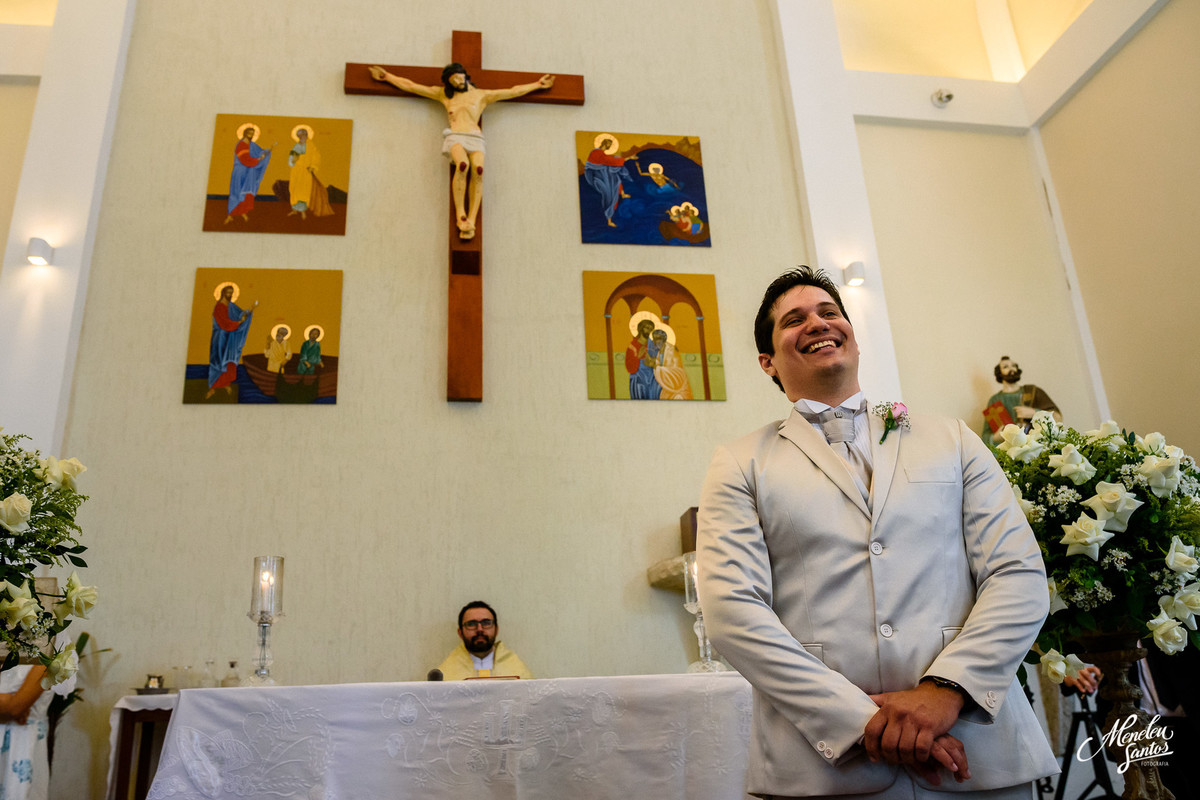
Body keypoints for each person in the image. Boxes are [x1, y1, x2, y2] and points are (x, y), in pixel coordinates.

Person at [696, 266, 1057, 799]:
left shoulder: (951, 438)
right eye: (793, 320)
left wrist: (945, 691)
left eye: (829, 312)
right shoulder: (741, 462)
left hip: (976, 751)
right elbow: (733, 613)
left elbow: (1018, 574)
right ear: (767, 361)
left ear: (853, 336)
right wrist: (859, 721)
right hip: (825, 767)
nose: (817, 323)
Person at [368, 63, 554, 239]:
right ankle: (461, 214)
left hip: (475, 138)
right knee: (463, 165)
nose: (457, 82)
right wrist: (386, 76)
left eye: (458, 77)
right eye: (453, 80)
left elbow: (512, 91)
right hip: (455, 136)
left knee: (478, 171)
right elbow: (412, 86)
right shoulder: (444, 95)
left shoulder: (482, 95)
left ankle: (472, 218)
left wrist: (537, 84)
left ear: (464, 75)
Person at [435, 601, 533, 680]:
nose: (480, 629)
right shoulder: (445, 675)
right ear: (460, 632)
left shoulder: (517, 670)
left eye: (486, 623)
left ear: (496, 629)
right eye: (472, 624)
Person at [981, 356, 1061, 444]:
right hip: (1009, 451)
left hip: (1036, 445)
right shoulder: (995, 400)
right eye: (1005, 367)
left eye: (1013, 366)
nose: (1011, 369)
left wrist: (1034, 413)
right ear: (999, 373)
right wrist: (995, 438)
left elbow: (1057, 418)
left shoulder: (1033, 391)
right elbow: (985, 435)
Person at [0, 662, 50, 800]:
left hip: (22, 745)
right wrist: (7, 703)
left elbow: (16, 706)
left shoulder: (54, 646)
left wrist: (13, 706)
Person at [207, 284, 257, 399]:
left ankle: (225, 384)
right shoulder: (219, 307)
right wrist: (239, 323)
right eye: (228, 292)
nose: (230, 295)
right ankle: (213, 387)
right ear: (223, 293)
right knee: (218, 361)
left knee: (229, 361)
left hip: (230, 338)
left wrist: (248, 313)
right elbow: (224, 324)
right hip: (220, 338)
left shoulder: (231, 306)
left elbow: (240, 315)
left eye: (231, 292)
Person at [224, 124, 274, 224]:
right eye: (249, 133)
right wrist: (258, 160)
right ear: (245, 134)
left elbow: (259, 152)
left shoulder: (252, 145)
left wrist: (268, 151)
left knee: (245, 193)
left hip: (249, 171)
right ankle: (230, 214)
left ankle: (242, 212)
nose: (251, 135)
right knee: (236, 192)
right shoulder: (241, 145)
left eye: (252, 134)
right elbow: (245, 159)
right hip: (240, 172)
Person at [584, 135, 637, 228]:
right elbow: (609, 160)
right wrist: (629, 158)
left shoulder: (599, 152)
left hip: (602, 173)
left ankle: (623, 194)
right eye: (609, 145)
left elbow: (608, 159)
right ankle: (609, 219)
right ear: (605, 144)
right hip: (597, 176)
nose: (609, 147)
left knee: (616, 177)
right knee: (609, 193)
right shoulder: (596, 153)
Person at [286, 125, 333, 220]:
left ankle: (303, 211)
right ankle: (294, 210)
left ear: (307, 135)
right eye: (300, 135)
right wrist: (293, 160)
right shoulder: (296, 146)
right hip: (296, 171)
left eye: (304, 134)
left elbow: (316, 157)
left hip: (305, 171)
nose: (302, 136)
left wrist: (313, 167)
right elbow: (291, 159)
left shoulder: (311, 145)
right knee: (294, 189)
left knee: (303, 190)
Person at [651, 327, 693, 400]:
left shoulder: (671, 351)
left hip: (678, 389)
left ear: (664, 339)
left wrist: (656, 367)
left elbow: (675, 373)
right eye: (654, 339)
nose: (656, 341)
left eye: (658, 339)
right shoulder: (659, 352)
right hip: (667, 388)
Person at [625, 318, 660, 400]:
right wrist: (638, 357)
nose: (649, 330)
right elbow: (630, 368)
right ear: (640, 328)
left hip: (652, 381)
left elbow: (659, 361)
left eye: (651, 329)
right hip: (638, 381)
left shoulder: (653, 346)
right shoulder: (632, 347)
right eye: (646, 327)